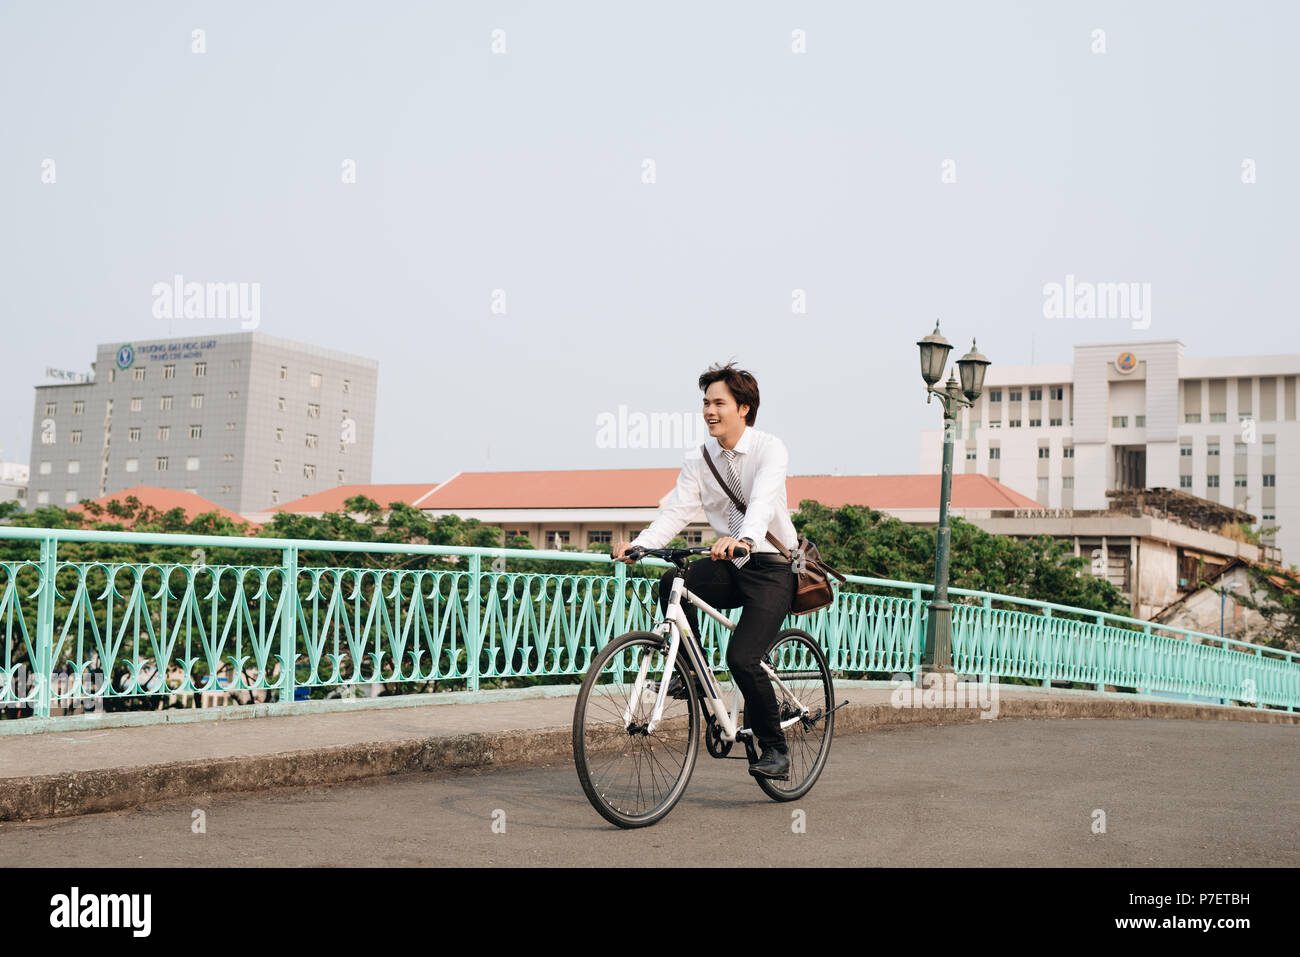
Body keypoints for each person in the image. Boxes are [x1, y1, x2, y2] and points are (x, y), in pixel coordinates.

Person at [613, 361, 798, 780]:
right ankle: (693, 676)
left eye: (719, 403)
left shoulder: (770, 449)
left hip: (770, 567)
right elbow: (676, 512)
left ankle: (776, 750)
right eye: (705, 403)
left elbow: (762, 503)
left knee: (743, 657)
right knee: (671, 582)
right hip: (729, 563)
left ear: (744, 408)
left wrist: (746, 538)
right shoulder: (699, 459)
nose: (709, 411)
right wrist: (642, 544)